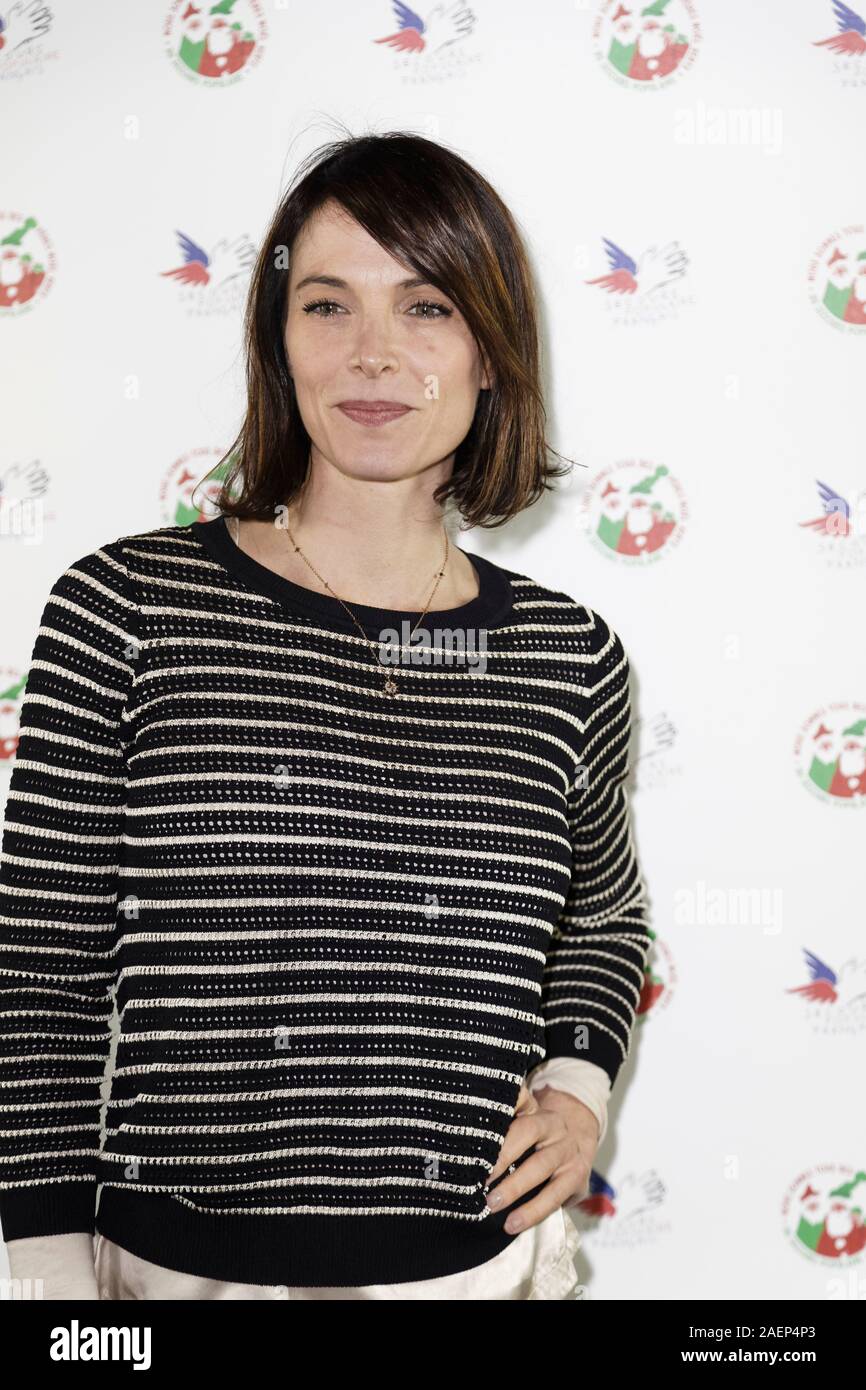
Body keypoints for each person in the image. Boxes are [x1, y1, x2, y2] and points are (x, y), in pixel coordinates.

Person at [0, 131, 651, 1300]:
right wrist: (40, 1270)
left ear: (492, 350)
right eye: (325, 303)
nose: (372, 355)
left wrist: (577, 1085)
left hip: (471, 1275)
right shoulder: (127, 609)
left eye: (427, 306)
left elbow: (600, 924)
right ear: (277, 337)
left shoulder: (568, 659)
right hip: (166, 1280)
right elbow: (41, 966)